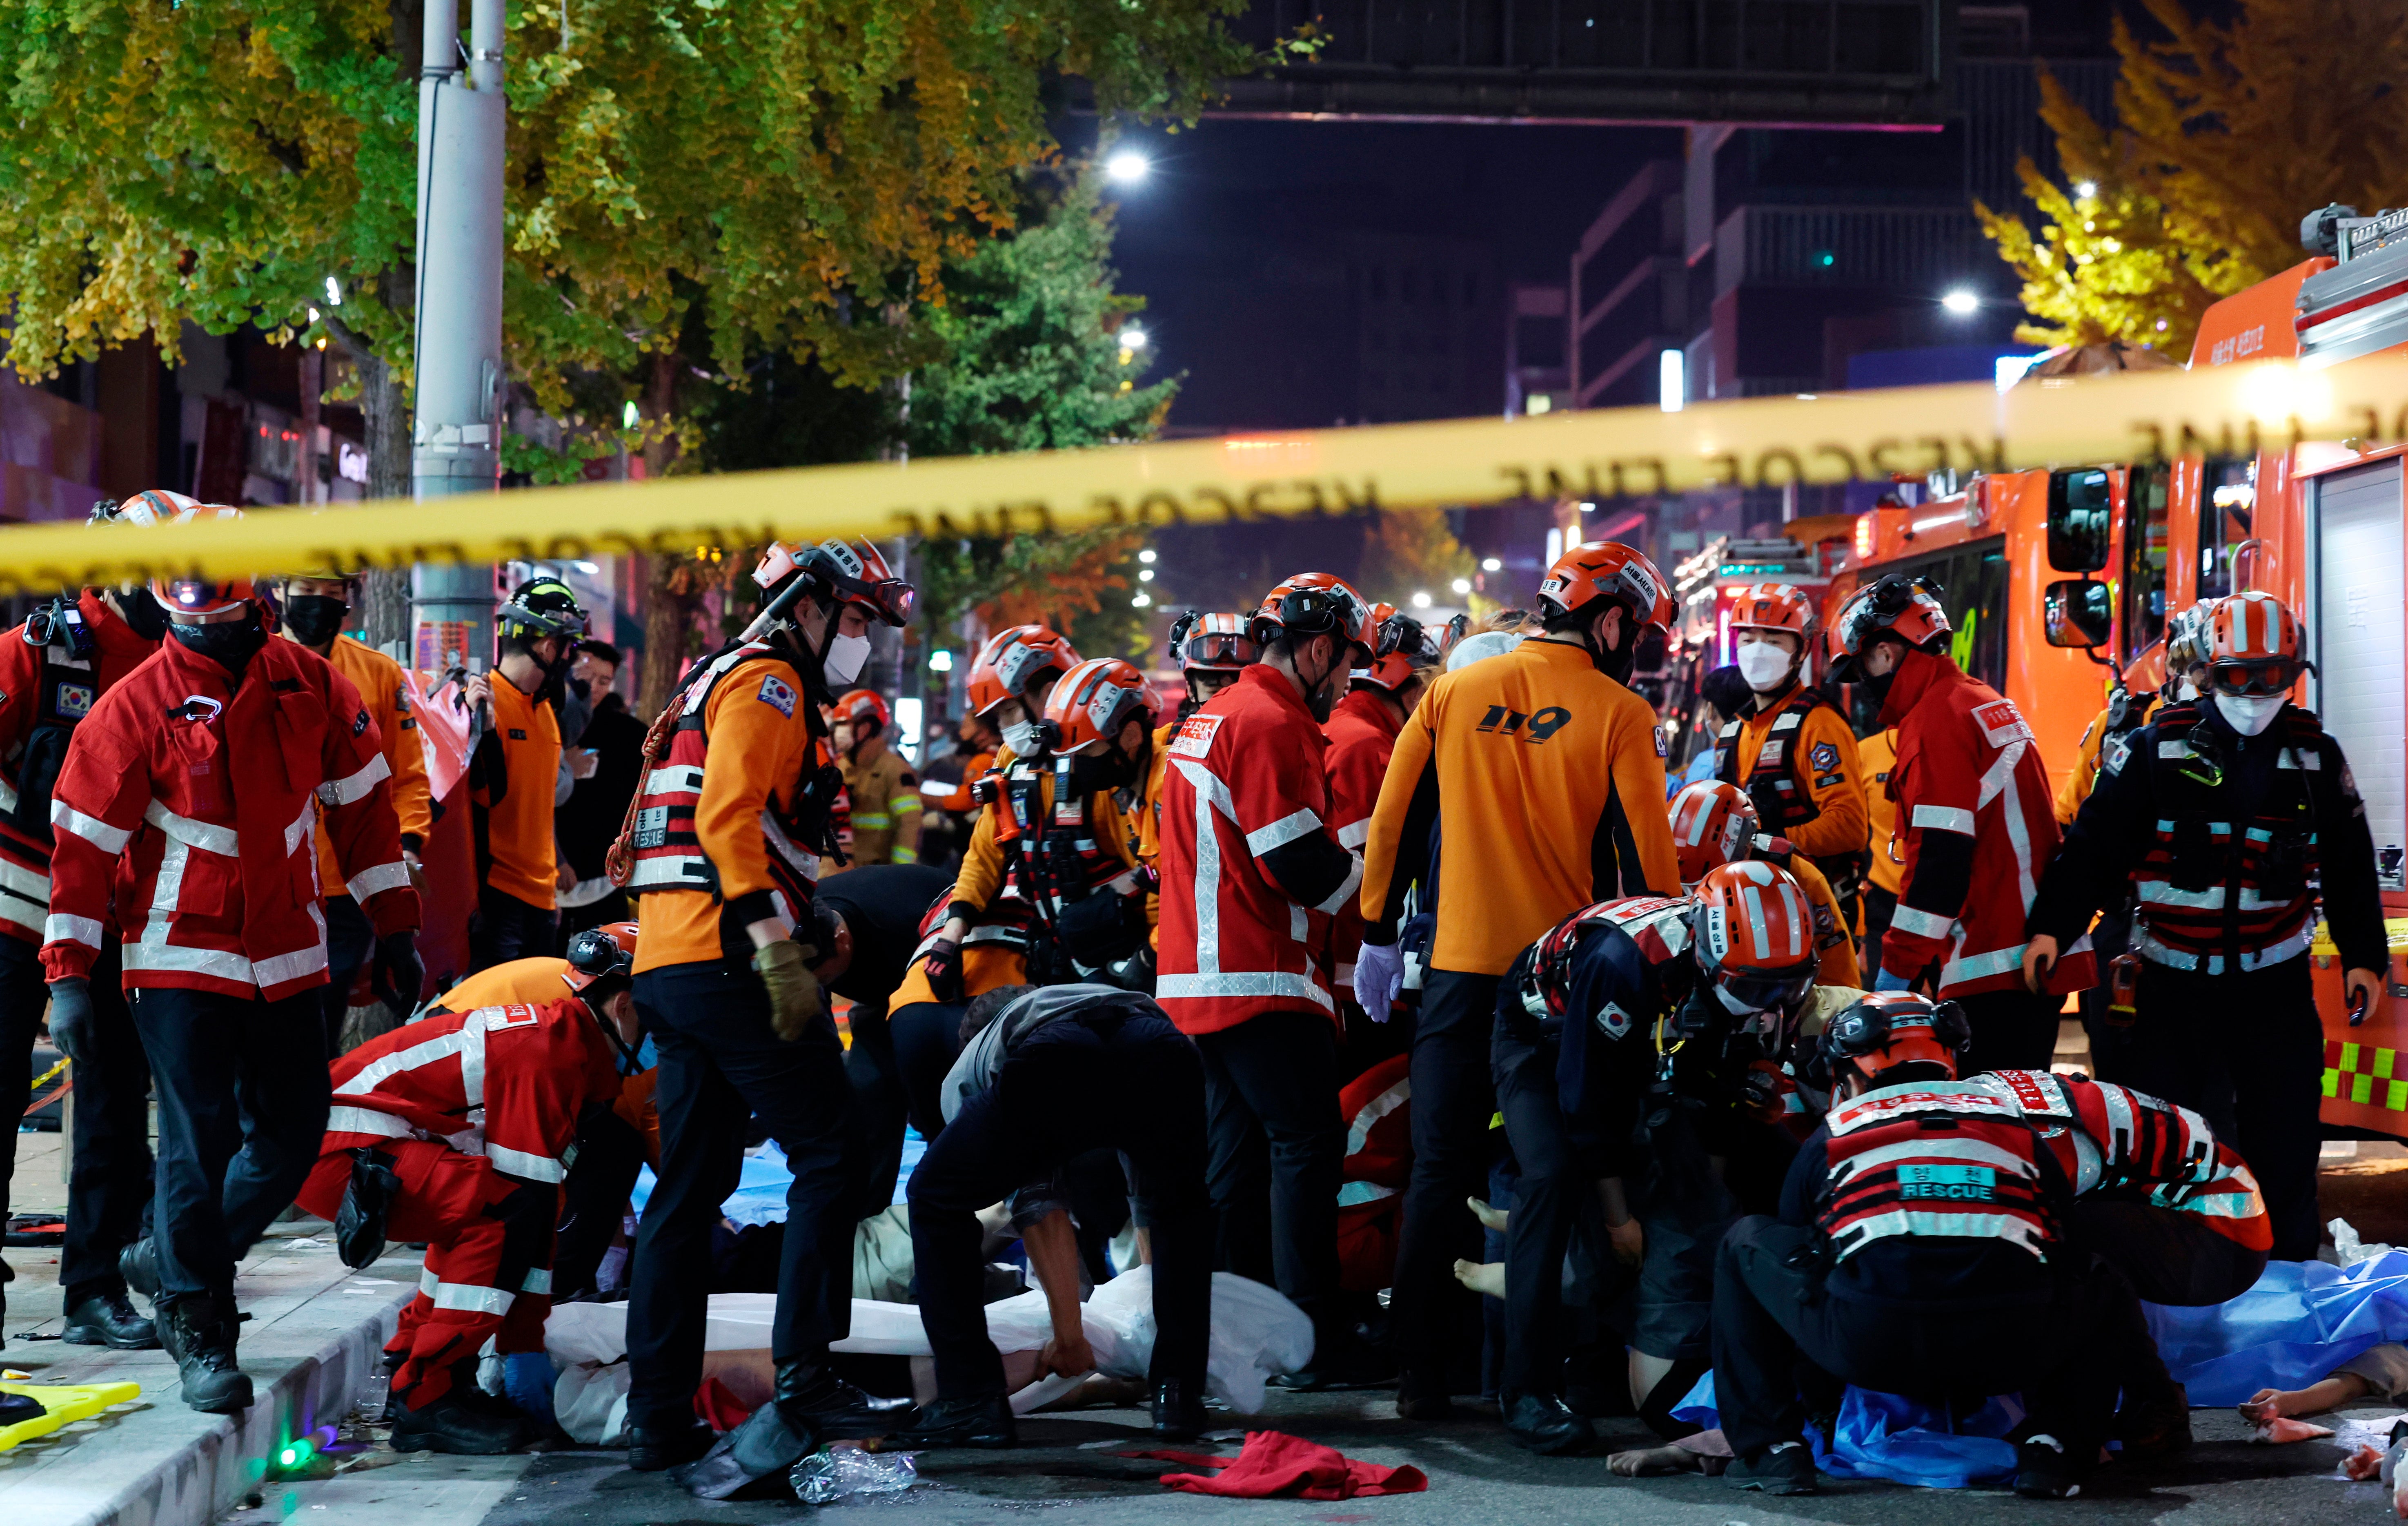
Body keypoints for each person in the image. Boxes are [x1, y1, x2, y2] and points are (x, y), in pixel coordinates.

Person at [43, 496, 423, 1413]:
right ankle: (199, 1322)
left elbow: (365, 807)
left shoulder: (312, 684)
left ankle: (169, 1253)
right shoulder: (137, 705)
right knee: (194, 1142)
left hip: (291, 948)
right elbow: (84, 845)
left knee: (294, 1132)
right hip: (180, 952)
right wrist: (68, 978)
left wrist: (397, 923)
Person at [614, 537, 916, 1491]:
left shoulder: (713, 678)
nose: (861, 639)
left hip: (668, 958)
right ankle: (808, 1372)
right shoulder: (772, 684)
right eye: (858, 617)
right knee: (836, 1148)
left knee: (688, 1186)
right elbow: (726, 818)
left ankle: (657, 1416)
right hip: (724, 953)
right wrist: (774, 945)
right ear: (809, 604)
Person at [1354, 542, 1681, 1418]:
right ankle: (1534, 1386)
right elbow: (1647, 869)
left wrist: (1378, 933)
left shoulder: (1452, 693)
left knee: (1437, 1169)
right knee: (1550, 1172)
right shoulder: (1620, 712)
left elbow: (1392, 823)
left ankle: (1421, 1375)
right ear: (1611, 621)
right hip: (1555, 987)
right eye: (1637, 632)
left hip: (1455, 970)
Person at [1709, 991, 2270, 1499]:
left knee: (1751, 1243)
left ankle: (1773, 1451)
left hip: (2218, 1222)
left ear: (1850, 1073)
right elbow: (2060, 1250)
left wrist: (1822, 1399)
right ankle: (2059, 1448)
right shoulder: (2007, 1119)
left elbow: (1806, 1257)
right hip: (2009, 1345)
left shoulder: (1843, 1128)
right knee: (2085, 1272)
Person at [2025, 590, 2386, 1262]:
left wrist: (2365, 955)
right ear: (2209, 672)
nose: (2253, 693)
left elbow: (2348, 864)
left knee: (2282, 1146)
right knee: (2166, 1142)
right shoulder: (2153, 750)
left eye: (2270, 676)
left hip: (2273, 989)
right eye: (2236, 676)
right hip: (2171, 987)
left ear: (2294, 673)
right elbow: (2093, 848)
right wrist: (2052, 925)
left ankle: (2286, 1279)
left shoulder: (2314, 756)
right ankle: (2169, 1279)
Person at [1156, 573, 1380, 1389]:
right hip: (1258, 973)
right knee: (1306, 1147)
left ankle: (1238, 1330)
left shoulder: (1216, 715)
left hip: (1200, 975)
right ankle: (1310, 1336)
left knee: (1237, 1163)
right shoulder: (1272, 721)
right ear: (1319, 647)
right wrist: (1383, 900)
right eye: (1348, 663)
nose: (1349, 681)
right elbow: (1297, 861)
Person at [296, 973, 640, 1452]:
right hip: (341, 1147)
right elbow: (531, 1200)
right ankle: (427, 1395)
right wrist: (524, 1342)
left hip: (340, 1138)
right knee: (501, 1212)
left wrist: (523, 1337)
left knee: (479, 1209)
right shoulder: (550, 1051)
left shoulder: (565, 1044)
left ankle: (427, 1378)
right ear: (623, 1006)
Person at [892, 983, 1211, 1448]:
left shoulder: (975, 1062)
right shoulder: (1092, 998)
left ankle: (970, 1400)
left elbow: (1039, 1203)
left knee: (934, 1197)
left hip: (1058, 1055)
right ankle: (1179, 1394)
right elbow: (1154, 1201)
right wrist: (1146, 1302)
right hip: (1165, 1045)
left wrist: (1069, 1337)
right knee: (1181, 1209)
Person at [0, 541, 163, 1350]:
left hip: (107, 932)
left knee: (113, 1114)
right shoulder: (42, 646)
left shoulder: (181, 666)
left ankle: (93, 1290)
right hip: (12, 914)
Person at [1825, 573, 2085, 1070]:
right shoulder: (1976, 698)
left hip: (1993, 967)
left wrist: (1892, 979)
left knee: (1985, 1131)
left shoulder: (1935, 721)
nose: (1864, 688)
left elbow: (1939, 866)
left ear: (1885, 652)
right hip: (2025, 957)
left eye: (1861, 668)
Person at [277, 571, 436, 1051]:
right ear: (281, 591)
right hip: (270, 881)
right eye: (308, 592)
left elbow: (407, 776)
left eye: (333, 593)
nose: (320, 604)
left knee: (321, 1019)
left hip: (344, 886)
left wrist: (407, 848)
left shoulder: (380, 675)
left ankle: (312, 1122)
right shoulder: (249, 664)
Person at [915, 625, 1083, 1002]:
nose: (1005, 728)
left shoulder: (1098, 760)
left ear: (1049, 693)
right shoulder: (1011, 762)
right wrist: (950, 935)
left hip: (1113, 951)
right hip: (1050, 947)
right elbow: (984, 856)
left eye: (1009, 711)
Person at [1715, 583, 1870, 923]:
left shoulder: (1818, 724)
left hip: (1818, 912)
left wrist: (1769, 842)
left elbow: (1850, 825)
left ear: (1800, 651)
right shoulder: (1733, 730)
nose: (1758, 651)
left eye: (1773, 640)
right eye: (1748, 639)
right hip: (1751, 912)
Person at [1322, 605, 1438, 1028]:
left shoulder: (1344, 727)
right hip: (1356, 964)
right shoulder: (1371, 748)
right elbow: (1380, 863)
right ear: (1412, 690)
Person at [466, 577, 588, 971]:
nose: (570, 659)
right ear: (550, 647)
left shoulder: (547, 713)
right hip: (497, 898)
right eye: (569, 647)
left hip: (543, 900)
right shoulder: (483, 703)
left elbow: (541, 806)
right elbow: (482, 795)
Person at [814, 862, 952, 1207]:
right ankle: (866, 1219)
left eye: (825, 977)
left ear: (842, 941)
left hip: (943, 974)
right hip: (885, 990)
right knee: (868, 1089)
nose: (823, 985)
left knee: (937, 1104)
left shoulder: (895, 922)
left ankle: (958, 1202)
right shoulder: (802, 928)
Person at [1667, 780, 1859, 987]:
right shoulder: (1666, 869)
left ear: (1747, 847)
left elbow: (1840, 983)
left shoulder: (1800, 881)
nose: (1697, 894)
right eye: (1690, 886)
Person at [556, 641, 645, 938]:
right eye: (586, 677)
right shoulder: (546, 722)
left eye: (604, 681)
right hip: (548, 871)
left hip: (606, 874)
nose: (594, 687)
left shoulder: (632, 735)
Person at [826, 689, 922, 870]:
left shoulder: (895, 770)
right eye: (838, 725)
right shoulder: (838, 767)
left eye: (846, 724)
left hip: (877, 876)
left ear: (868, 727)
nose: (840, 732)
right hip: (839, 873)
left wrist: (900, 874)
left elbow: (910, 825)